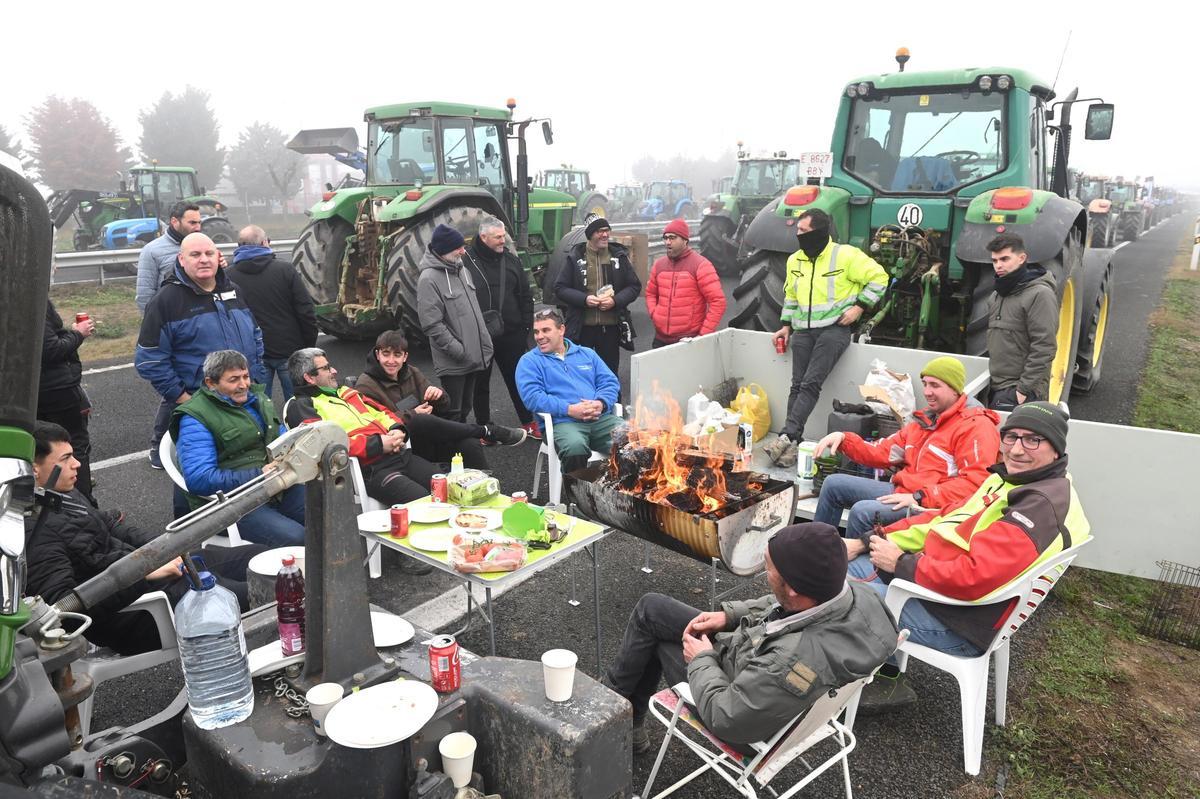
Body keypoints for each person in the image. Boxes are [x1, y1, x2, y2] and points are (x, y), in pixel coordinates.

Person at [846, 402, 1089, 708]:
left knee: (838, 593)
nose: (1015, 450)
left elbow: (975, 577)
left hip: (960, 620)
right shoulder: (1015, 480)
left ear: (1056, 448)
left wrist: (901, 563)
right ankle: (875, 667)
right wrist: (868, 540)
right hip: (949, 596)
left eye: (1032, 439)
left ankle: (871, 679)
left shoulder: (1038, 506)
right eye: (1011, 437)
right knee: (844, 566)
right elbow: (945, 517)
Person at [603, 523, 898, 754]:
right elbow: (780, 603)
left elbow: (727, 717)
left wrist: (702, 659)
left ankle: (605, 718)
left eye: (769, 567)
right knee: (652, 609)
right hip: (757, 668)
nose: (764, 572)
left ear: (793, 588)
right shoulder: (853, 596)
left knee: (655, 633)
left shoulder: (790, 664)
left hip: (735, 701)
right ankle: (622, 718)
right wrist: (729, 615)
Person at [24, 421, 264, 656]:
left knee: (257, 557)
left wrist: (164, 548)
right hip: (139, 612)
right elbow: (63, 610)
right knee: (263, 595)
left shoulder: (58, 493)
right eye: (65, 459)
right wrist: (144, 574)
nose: (77, 464)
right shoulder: (34, 531)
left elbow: (107, 525)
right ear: (33, 469)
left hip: (151, 577)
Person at [812, 356, 1000, 536]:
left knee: (862, 512)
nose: (927, 392)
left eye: (935, 385)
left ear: (955, 389)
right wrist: (844, 438)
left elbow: (976, 486)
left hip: (932, 506)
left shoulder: (976, 426)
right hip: (904, 491)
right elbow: (881, 452)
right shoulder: (924, 422)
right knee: (833, 484)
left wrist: (919, 497)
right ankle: (812, 554)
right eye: (925, 384)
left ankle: (854, 567)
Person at [762, 209, 888, 467]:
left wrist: (860, 307)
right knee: (797, 386)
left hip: (833, 331)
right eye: (798, 231)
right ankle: (790, 447)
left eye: (804, 231)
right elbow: (791, 297)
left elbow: (879, 278)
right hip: (802, 332)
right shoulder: (795, 260)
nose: (799, 236)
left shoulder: (846, 255)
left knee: (810, 384)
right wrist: (785, 325)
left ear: (820, 231)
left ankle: (786, 436)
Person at [135, 232, 266, 469]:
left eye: (208, 253)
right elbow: (149, 360)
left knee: (250, 466)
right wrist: (183, 399)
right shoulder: (165, 301)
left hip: (243, 399)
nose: (203, 259)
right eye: (195, 254)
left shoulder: (233, 290)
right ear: (181, 259)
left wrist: (255, 377)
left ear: (218, 257)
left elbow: (255, 335)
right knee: (204, 475)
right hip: (201, 407)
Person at [171, 350, 305, 547]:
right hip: (232, 503)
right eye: (233, 380)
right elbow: (199, 478)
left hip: (276, 486)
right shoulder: (194, 419)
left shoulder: (257, 400)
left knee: (328, 515)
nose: (243, 385)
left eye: (245, 377)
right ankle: (300, 576)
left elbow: (280, 438)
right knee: (297, 538)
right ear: (211, 383)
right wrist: (259, 474)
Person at [285, 348, 442, 508]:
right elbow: (324, 447)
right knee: (424, 503)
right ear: (309, 377)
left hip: (399, 455)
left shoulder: (346, 392)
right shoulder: (301, 406)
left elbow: (382, 413)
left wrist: (398, 429)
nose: (334, 370)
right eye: (326, 368)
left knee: (447, 487)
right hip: (370, 470)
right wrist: (378, 444)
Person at [354, 330, 527, 469]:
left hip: (428, 439)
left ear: (405, 357)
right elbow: (373, 425)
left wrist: (438, 396)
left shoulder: (411, 372)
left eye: (397, 355)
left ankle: (485, 492)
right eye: (386, 354)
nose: (391, 361)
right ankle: (487, 431)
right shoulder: (365, 386)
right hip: (400, 447)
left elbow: (445, 407)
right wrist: (412, 414)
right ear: (377, 355)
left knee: (469, 444)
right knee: (419, 420)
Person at [516, 308, 622, 474]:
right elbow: (533, 398)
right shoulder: (529, 362)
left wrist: (600, 403)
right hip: (562, 423)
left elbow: (609, 382)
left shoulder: (587, 354)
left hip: (599, 418)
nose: (539, 336)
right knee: (575, 448)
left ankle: (628, 492)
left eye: (546, 330)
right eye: (536, 332)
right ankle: (578, 496)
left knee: (633, 441)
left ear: (561, 330)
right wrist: (570, 409)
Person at [462, 215, 539, 440]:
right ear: (483, 236)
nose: (502, 240)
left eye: (503, 236)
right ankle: (484, 428)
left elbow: (526, 296)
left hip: (511, 334)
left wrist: (526, 327)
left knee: (519, 380)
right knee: (480, 384)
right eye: (497, 237)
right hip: (480, 334)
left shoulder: (512, 261)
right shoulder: (465, 261)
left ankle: (529, 422)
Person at [227, 225, 318, 403]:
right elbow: (305, 311)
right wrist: (307, 346)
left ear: (239, 245)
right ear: (264, 243)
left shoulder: (228, 276)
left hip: (253, 354)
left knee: (258, 405)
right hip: (289, 349)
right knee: (298, 405)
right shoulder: (285, 270)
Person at [417, 223, 494, 423]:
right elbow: (432, 324)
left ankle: (463, 449)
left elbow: (473, 311)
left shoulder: (462, 271)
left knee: (465, 409)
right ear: (443, 251)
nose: (463, 251)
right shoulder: (428, 279)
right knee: (453, 413)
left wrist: (483, 344)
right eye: (457, 247)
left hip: (473, 357)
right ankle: (454, 452)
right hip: (454, 362)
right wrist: (460, 351)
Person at [553, 213, 642, 379]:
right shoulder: (575, 257)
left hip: (610, 329)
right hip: (582, 329)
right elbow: (560, 288)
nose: (605, 234)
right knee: (581, 374)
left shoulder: (618, 257)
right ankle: (586, 405)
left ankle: (612, 405)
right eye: (600, 231)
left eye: (607, 230)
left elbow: (634, 286)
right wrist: (584, 299)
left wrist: (615, 301)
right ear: (590, 234)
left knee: (608, 375)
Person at [984, 232, 1059, 410]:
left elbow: (1044, 346)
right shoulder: (996, 296)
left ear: (1021, 258)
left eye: (1004, 259)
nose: (998, 266)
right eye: (995, 261)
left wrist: (1023, 391)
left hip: (1019, 391)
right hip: (996, 387)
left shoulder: (1040, 294)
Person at [37, 298, 96, 507]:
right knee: (73, 446)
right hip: (56, 390)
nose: (54, 269)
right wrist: (78, 333)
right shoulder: (30, 295)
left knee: (42, 447)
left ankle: (50, 500)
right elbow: (49, 350)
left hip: (32, 389)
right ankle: (83, 505)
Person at [644, 219, 726, 348]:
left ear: (685, 240)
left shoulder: (701, 265)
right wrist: (655, 314)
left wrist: (703, 335)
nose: (667, 242)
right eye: (665, 238)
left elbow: (718, 301)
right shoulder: (659, 265)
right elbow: (650, 294)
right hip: (660, 339)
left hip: (688, 341)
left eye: (672, 238)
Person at [135, 202, 202, 313]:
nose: (198, 228)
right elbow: (144, 295)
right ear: (174, 221)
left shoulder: (203, 246)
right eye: (192, 223)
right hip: (171, 319)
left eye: (199, 222)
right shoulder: (152, 251)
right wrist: (154, 323)